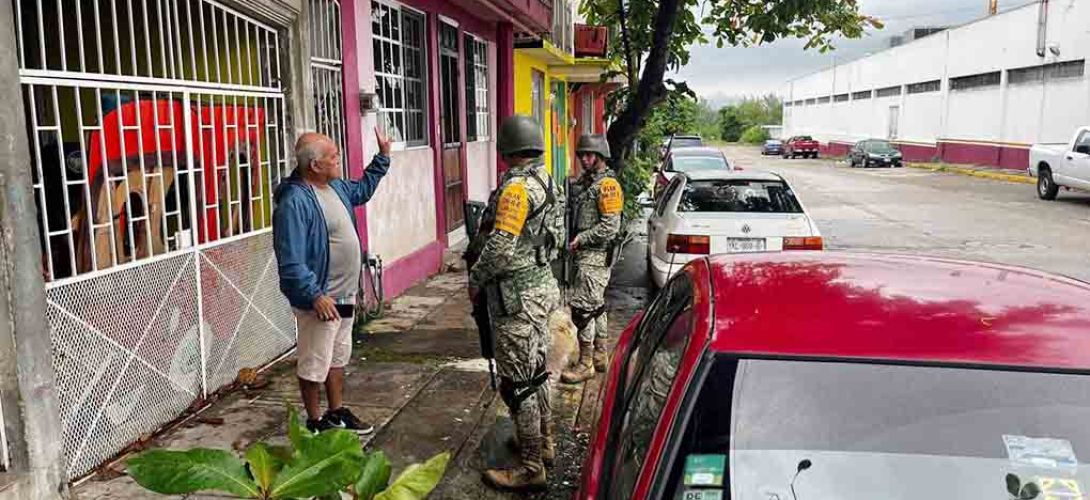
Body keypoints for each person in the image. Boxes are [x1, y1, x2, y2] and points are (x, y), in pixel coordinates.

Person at [273, 129, 392, 433]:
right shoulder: (294, 202)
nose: (339, 160)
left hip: (344, 294)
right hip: (320, 300)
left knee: (337, 356)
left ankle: (336, 413)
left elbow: (362, 190)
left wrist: (383, 157)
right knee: (314, 362)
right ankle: (314, 422)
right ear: (314, 165)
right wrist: (315, 295)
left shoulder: (335, 187)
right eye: (333, 157)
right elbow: (291, 261)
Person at [470, 115, 561, 491]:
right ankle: (544, 441)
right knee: (536, 370)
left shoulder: (516, 191)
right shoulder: (546, 181)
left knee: (521, 382)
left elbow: (500, 248)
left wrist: (475, 279)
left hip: (516, 299)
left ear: (506, 150)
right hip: (540, 291)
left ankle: (530, 466)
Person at [561, 134, 623, 384]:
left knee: (583, 310)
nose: (585, 159)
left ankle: (586, 363)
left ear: (601, 156)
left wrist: (582, 238)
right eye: (582, 155)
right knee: (596, 308)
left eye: (590, 155)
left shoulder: (607, 186)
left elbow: (611, 226)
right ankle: (599, 356)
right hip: (588, 257)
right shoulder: (590, 182)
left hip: (594, 258)